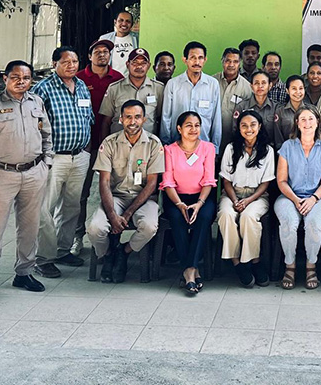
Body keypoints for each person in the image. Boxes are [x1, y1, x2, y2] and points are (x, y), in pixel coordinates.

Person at [0, 60, 52, 308]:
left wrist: (46, 164)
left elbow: (47, 135)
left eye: (26, 78)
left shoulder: (36, 102)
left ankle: (24, 273)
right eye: (15, 77)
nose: (21, 82)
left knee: (29, 227)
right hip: (1, 175)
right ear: (5, 78)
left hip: (34, 173)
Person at [30, 46, 93, 278]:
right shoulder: (43, 88)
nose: (71, 65)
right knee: (46, 207)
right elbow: (32, 124)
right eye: (66, 61)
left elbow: (89, 119)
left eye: (75, 61)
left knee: (72, 206)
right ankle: (43, 258)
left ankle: (63, 249)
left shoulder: (82, 86)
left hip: (80, 156)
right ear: (54, 63)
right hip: (54, 157)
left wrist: (86, 148)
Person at [87, 100, 164, 283]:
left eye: (137, 117)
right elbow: (104, 182)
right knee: (95, 229)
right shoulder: (110, 143)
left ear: (144, 119)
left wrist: (128, 213)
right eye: (128, 117)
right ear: (120, 119)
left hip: (144, 198)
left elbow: (152, 184)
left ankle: (124, 251)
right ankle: (108, 254)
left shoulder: (154, 144)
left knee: (150, 226)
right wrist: (113, 215)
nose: (133, 121)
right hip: (115, 197)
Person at [275, 107, 321, 290]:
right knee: (289, 222)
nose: (307, 123)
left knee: (313, 223)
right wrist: (295, 199)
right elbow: (282, 180)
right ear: (297, 123)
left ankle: (311, 265)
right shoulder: (287, 146)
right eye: (303, 119)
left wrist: (313, 199)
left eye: (311, 119)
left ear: (317, 122)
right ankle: (290, 265)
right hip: (289, 196)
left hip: (319, 197)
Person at [74, 39, 124, 255]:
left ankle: (111, 237)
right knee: (80, 194)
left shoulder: (118, 79)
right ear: (90, 56)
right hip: (85, 146)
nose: (103, 55)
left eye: (106, 52)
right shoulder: (79, 79)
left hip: (112, 148)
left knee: (111, 192)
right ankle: (77, 237)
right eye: (98, 52)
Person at [161, 111, 218, 295]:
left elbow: (209, 180)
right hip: (176, 198)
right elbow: (168, 182)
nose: (194, 129)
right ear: (179, 128)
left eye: (197, 125)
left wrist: (199, 203)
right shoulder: (169, 150)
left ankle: (188, 270)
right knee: (177, 219)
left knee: (203, 218)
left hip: (201, 197)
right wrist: (180, 204)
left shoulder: (208, 148)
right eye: (188, 125)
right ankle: (193, 270)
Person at [217, 110, 275, 288]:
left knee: (249, 217)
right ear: (239, 128)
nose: (248, 129)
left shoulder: (267, 150)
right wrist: (235, 200)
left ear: (259, 126)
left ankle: (254, 261)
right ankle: (237, 263)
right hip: (232, 193)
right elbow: (225, 180)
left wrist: (248, 201)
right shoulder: (230, 148)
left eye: (252, 125)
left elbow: (265, 184)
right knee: (226, 215)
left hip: (257, 196)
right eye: (244, 125)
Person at [160, 41, 222, 151]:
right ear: (185, 60)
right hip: (176, 147)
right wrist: (166, 146)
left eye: (200, 58)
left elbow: (216, 118)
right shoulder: (173, 84)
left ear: (205, 60)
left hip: (204, 148)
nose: (197, 62)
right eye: (193, 57)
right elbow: (166, 118)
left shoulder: (213, 84)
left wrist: (215, 148)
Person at [98, 48, 166, 138]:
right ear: (127, 64)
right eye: (135, 63)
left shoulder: (158, 88)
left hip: (148, 145)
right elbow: (106, 121)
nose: (139, 67)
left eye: (143, 63)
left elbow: (160, 118)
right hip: (118, 144)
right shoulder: (114, 88)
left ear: (149, 66)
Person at [216, 47, 253, 153]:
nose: (231, 65)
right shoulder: (211, 83)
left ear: (240, 63)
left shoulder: (247, 88)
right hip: (211, 140)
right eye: (228, 61)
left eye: (235, 61)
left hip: (234, 142)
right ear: (222, 61)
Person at [236, 72, 280, 148]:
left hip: (270, 151)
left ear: (270, 86)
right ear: (251, 86)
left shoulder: (276, 108)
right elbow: (235, 130)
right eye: (256, 83)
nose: (260, 86)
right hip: (246, 150)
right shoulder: (242, 106)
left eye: (263, 83)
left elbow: (278, 134)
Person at [99, 11, 138, 78]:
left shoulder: (137, 38)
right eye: (121, 20)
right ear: (115, 22)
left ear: (132, 24)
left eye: (128, 21)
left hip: (131, 81)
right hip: (111, 80)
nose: (124, 24)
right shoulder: (105, 39)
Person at [274, 75, 313, 143]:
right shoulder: (280, 112)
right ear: (287, 91)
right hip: (286, 151)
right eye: (294, 88)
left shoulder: (311, 111)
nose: (298, 92)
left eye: (301, 88)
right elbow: (278, 138)